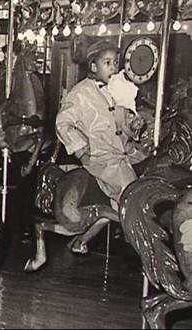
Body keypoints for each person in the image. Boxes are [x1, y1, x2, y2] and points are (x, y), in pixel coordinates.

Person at [56, 39, 147, 209]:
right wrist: (82, 151)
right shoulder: (81, 94)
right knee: (132, 192)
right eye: (107, 63)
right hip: (102, 158)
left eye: (115, 62)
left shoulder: (116, 90)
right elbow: (63, 123)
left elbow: (121, 122)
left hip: (126, 152)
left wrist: (133, 126)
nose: (113, 67)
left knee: (154, 171)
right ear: (93, 67)